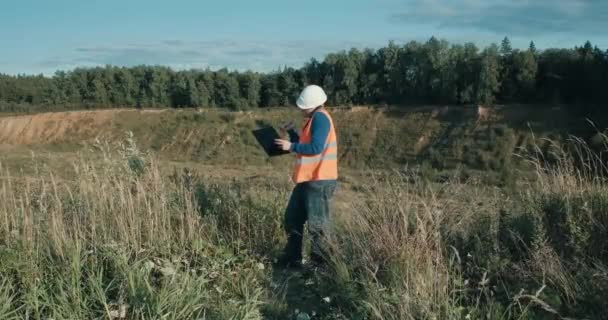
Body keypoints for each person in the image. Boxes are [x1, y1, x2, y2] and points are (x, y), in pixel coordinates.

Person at [274, 85, 338, 269]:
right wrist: (292, 133)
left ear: (313, 105)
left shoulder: (320, 119)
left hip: (319, 181)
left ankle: (320, 266)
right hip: (307, 180)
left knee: (318, 227)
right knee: (292, 219)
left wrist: (290, 147)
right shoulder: (313, 119)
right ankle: (293, 259)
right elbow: (306, 144)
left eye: (303, 106)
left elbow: (316, 148)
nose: (301, 109)